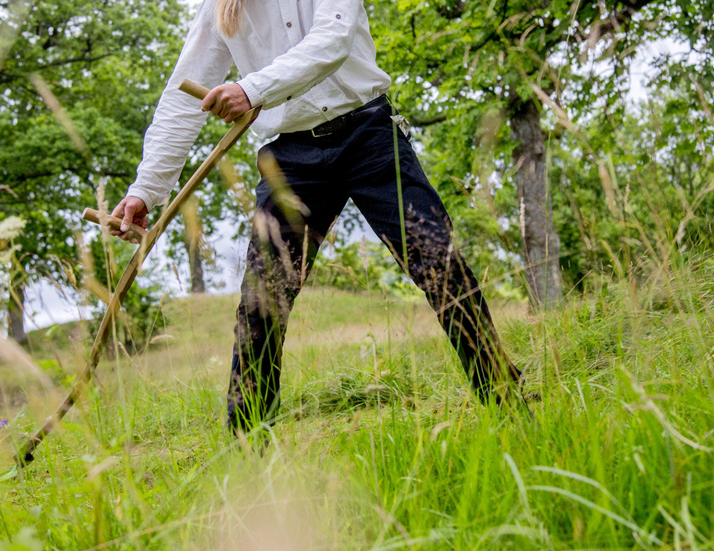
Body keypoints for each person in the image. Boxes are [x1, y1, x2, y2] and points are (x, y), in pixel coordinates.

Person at [110, 0, 524, 434]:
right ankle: (250, 452)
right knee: (261, 305)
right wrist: (145, 191)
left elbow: (333, 39)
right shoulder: (219, 9)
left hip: (370, 136)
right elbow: (181, 98)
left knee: (438, 262)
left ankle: (507, 404)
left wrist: (251, 90)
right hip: (290, 159)